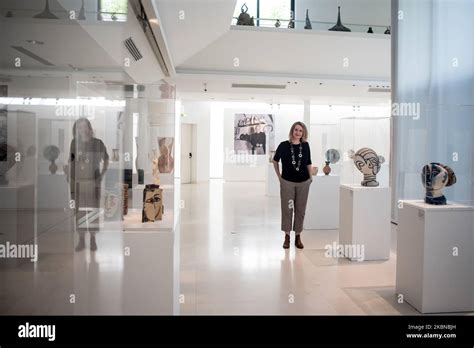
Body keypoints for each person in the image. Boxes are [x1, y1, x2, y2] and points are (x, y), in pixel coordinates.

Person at [68, 118, 109, 252]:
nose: (82, 129)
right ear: (76, 129)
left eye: (84, 126)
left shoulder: (97, 143)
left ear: (89, 128)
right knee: (79, 212)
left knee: (92, 210)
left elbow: (106, 158)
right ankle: (81, 240)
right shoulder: (74, 143)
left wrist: (101, 175)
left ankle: (92, 239)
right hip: (78, 183)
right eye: (79, 127)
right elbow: (72, 160)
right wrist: (70, 175)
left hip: (93, 182)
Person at [272, 121, 312, 249]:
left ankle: (298, 237)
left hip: (303, 183)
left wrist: (310, 178)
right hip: (287, 183)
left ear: (303, 133)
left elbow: (308, 162)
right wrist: (279, 177)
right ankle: (287, 237)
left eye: (300, 130)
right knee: (287, 209)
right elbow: (275, 160)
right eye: (296, 130)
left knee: (300, 211)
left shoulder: (305, 146)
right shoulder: (283, 145)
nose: (298, 132)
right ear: (292, 131)